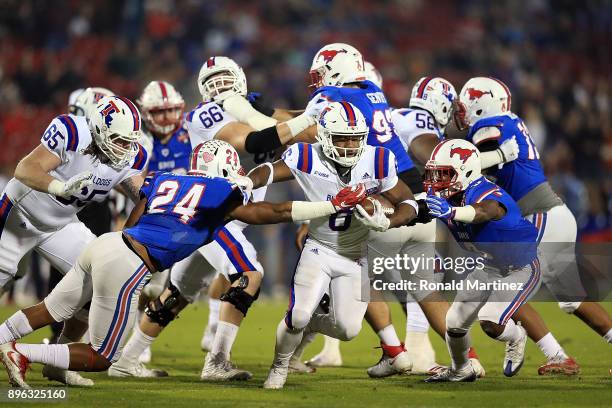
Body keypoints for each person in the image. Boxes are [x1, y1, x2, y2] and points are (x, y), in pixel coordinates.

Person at [0, 139, 367, 389]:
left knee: (52, 307)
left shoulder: (164, 178)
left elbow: (134, 221)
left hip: (109, 245)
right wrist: (330, 205)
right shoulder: (222, 191)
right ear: (226, 167)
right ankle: (21, 351)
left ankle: (4, 339)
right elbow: (272, 210)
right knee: (100, 358)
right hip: (129, 262)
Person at [246, 101, 419, 389]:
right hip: (319, 249)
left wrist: (390, 222)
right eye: (342, 138)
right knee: (298, 313)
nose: (350, 145)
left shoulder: (377, 160)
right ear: (325, 136)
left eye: (355, 138)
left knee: (348, 329)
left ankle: (309, 323)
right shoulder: (306, 155)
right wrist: (246, 182)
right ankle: (279, 366)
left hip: (355, 257)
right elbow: (268, 171)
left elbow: (409, 202)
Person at [455, 77, 608, 374]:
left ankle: (555, 354)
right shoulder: (510, 122)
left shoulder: (492, 125)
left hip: (538, 216)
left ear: (481, 105)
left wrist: (490, 156)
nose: (462, 112)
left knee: (509, 282)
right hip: (555, 214)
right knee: (573, 301)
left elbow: (471, 162)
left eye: (467, 105)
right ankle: (559, 358)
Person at [0, 95, 147, 386]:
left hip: (61, 224)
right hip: (19, 216)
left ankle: (57, 360)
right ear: (100, 130)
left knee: (99, 276)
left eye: (129, 141)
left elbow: (145, 197)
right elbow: (24, 169)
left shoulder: (133, 156)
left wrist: (131, 238)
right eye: (118, 140)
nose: (125, 148)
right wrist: (59, 185)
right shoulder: (72, 132)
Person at [423, 139, 540, 382]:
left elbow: (486, 211)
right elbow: (415, 206)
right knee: (454, 323)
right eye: (434, 174)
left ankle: (517, 335)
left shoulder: (486, 192)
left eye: (444, 174)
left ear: (466, 172)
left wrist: (451, 212)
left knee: (491, 322)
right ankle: (461, 369)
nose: (437, 181)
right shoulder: (447, 194)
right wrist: (386, 215)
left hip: (519, 267)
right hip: (487, 266)